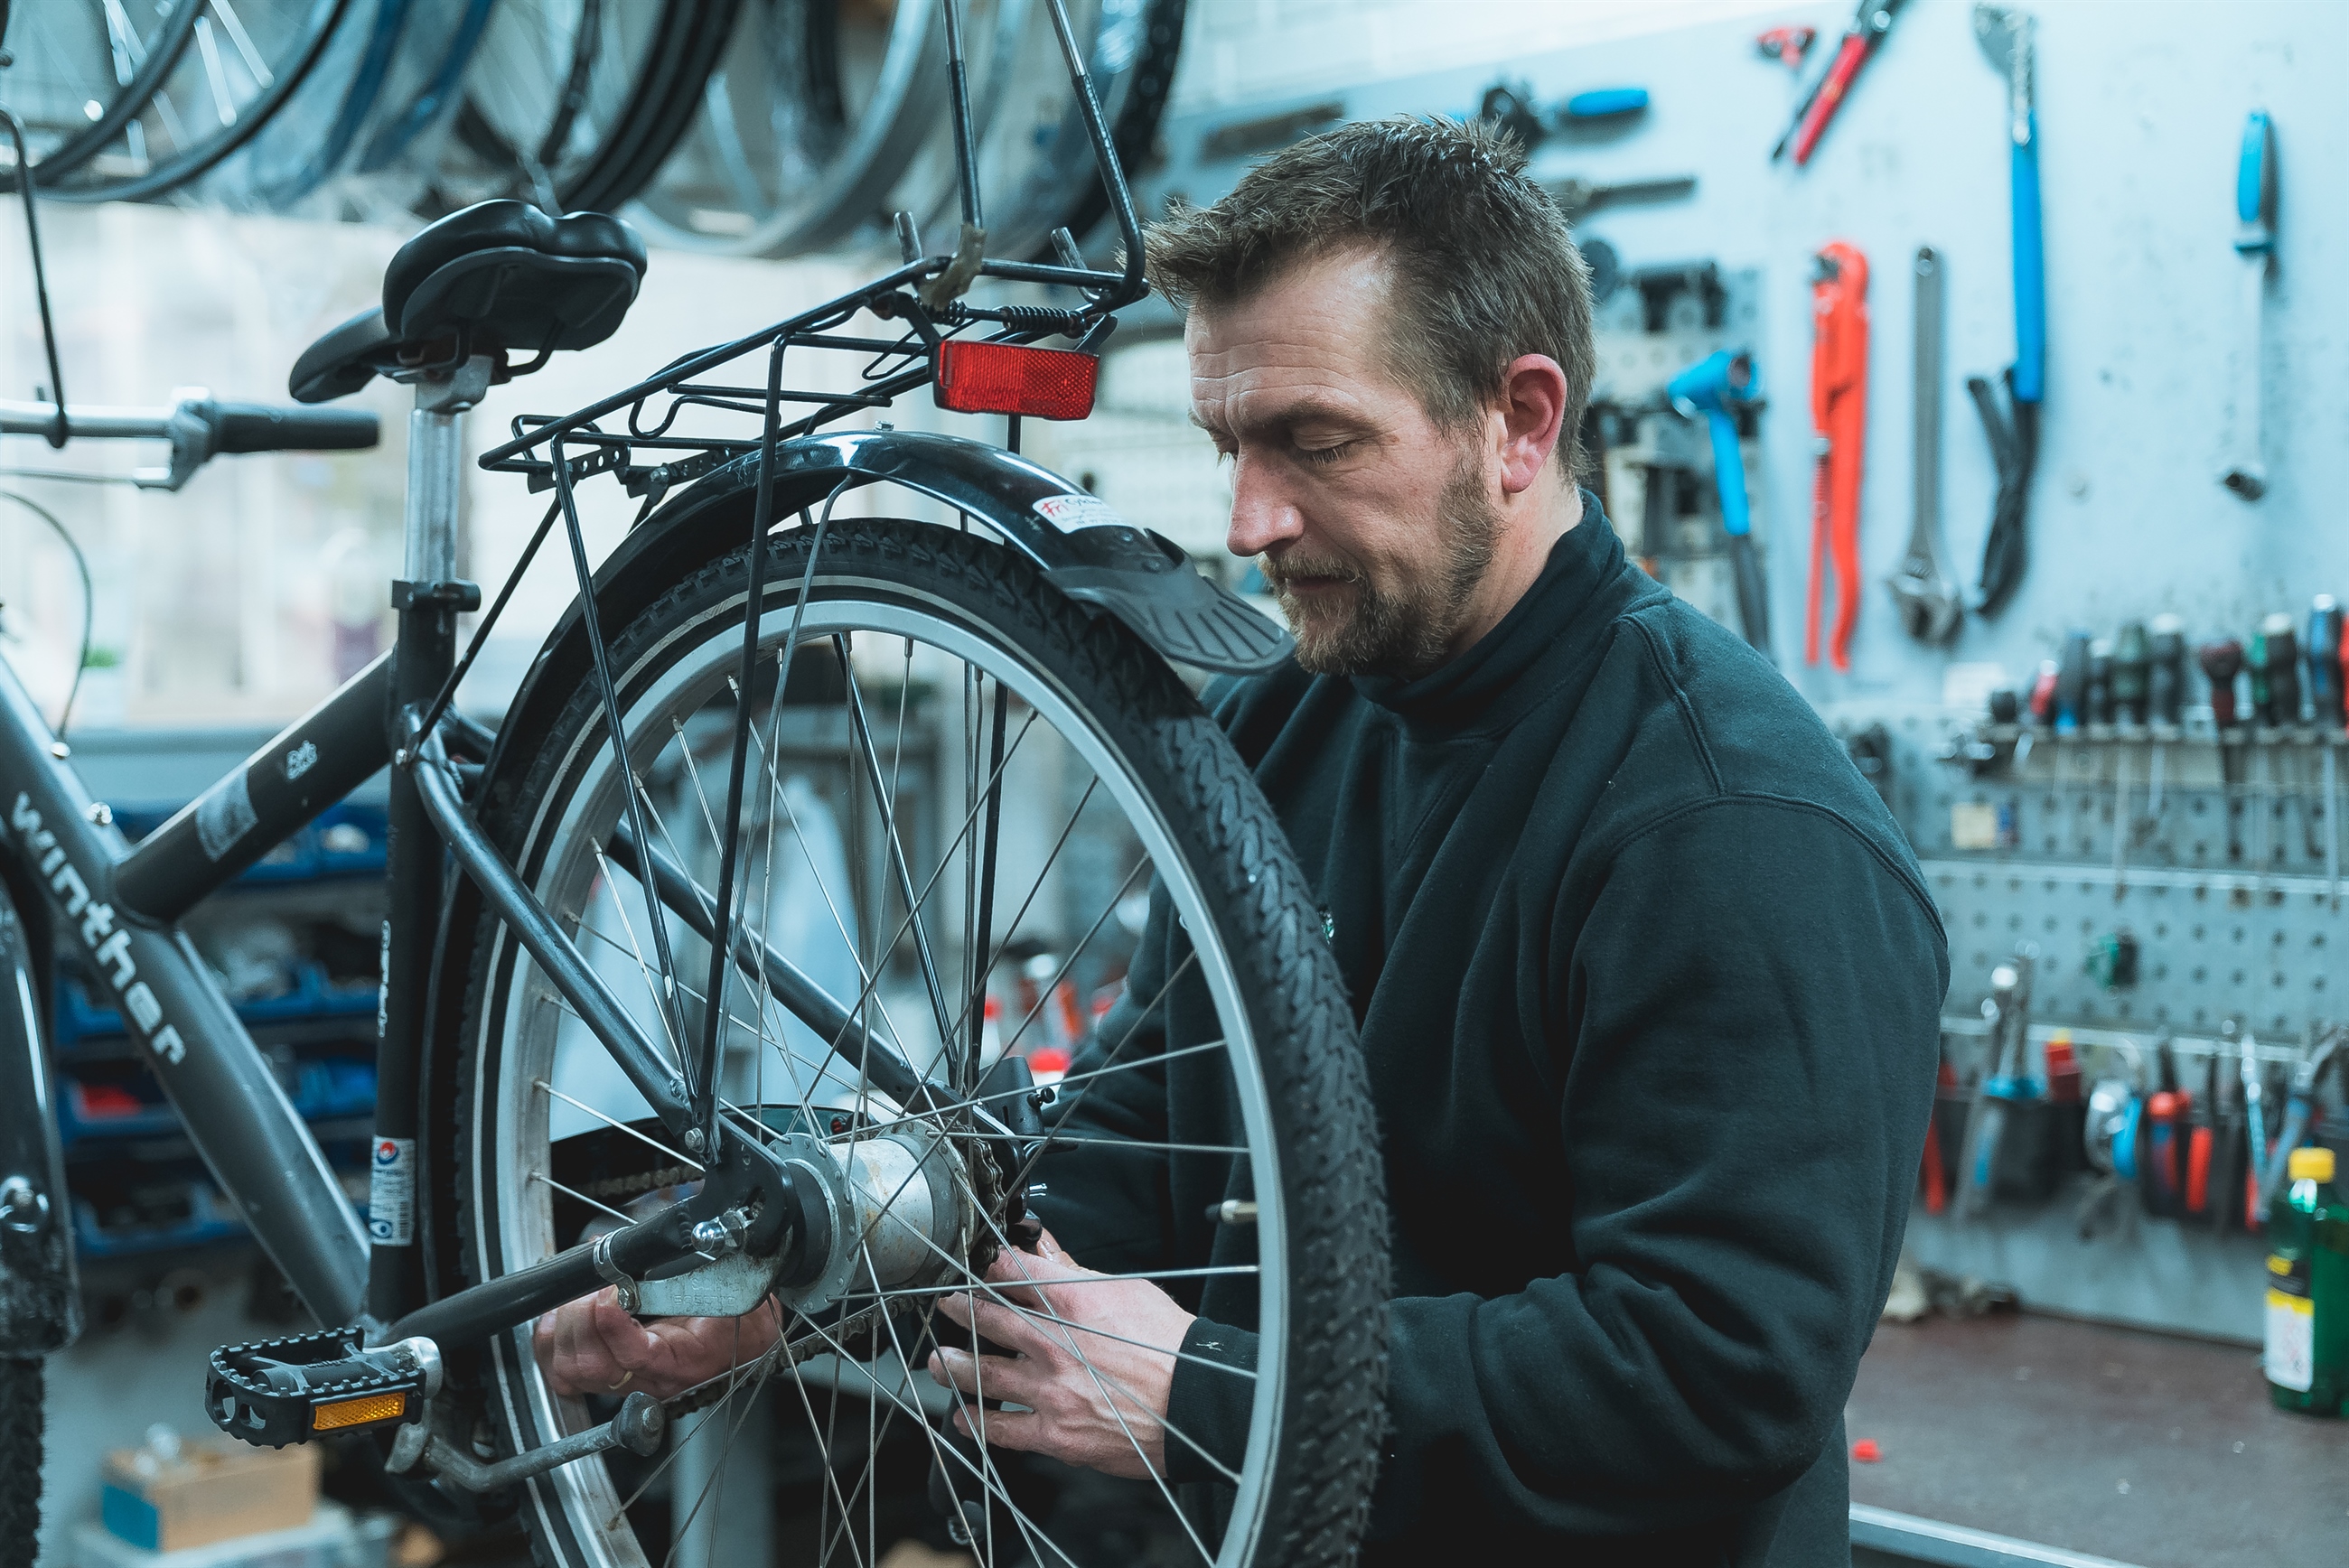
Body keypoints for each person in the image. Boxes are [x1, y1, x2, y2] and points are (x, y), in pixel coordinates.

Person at [538, 116, 1947, 1565]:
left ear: (1519, 422)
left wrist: (1212, 1394)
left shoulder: (1728, 822)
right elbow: (1127, 1161)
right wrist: (817, 1267)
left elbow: (1721, 1371)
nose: (1250, 518)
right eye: (1229, 444)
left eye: (1315, 442)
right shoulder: (1288, 727)